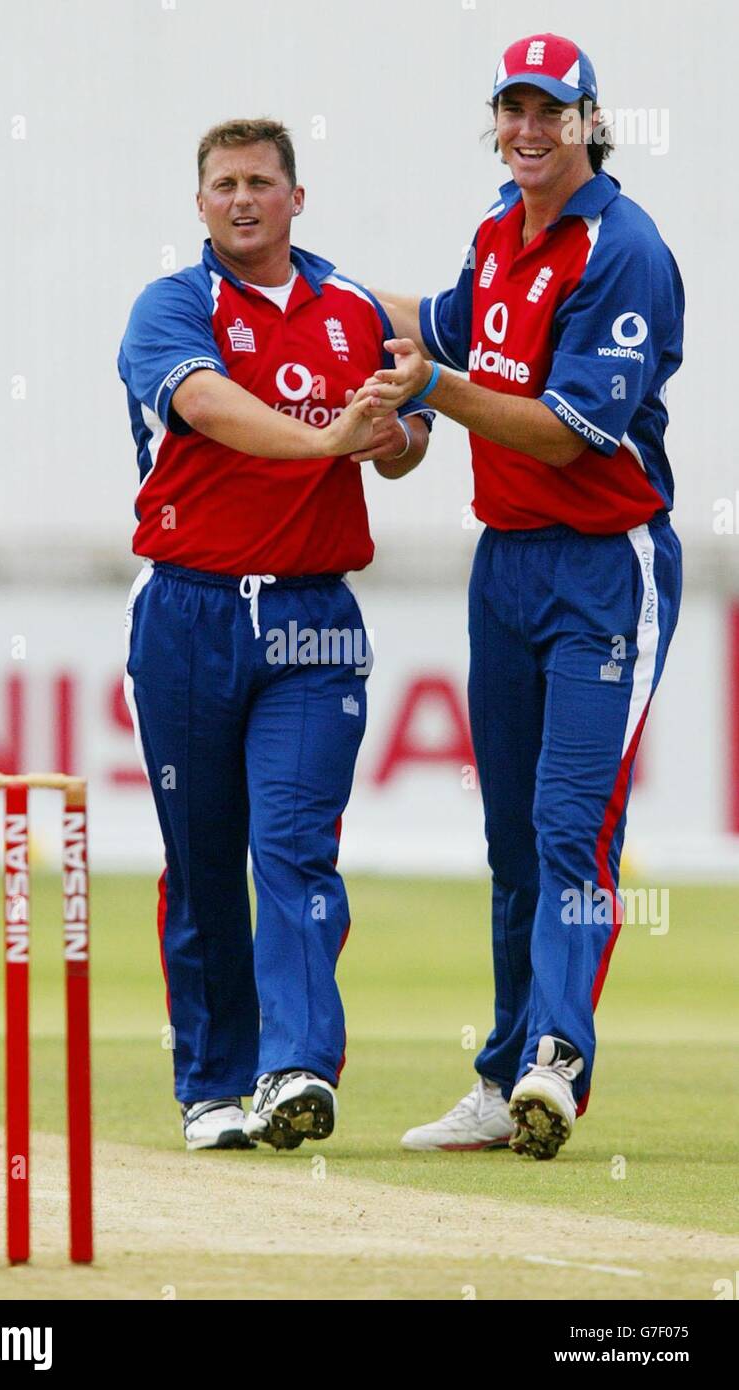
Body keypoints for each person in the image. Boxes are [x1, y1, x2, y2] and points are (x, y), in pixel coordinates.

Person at [368, 33, 684, 1159]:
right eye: (513, 109)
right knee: (511, 836)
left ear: (591, 120)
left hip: (605, 562)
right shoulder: (499, 232)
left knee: (570, 826)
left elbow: (561, 433)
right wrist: (318, 288)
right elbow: (439, 326)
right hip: (505, 566)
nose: (530, 129)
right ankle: (505, 1076)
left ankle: (556, 1055)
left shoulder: (623, 248)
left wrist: (435, 388)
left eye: (551, 110)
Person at [117, 118, 432, 1152]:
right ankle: (212, 1084)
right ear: (198, 202)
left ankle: (295, 1066)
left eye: (260, 182)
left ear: (299, 198)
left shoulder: (353, 310)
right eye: (222, 185)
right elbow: (206, 405)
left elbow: (404, 439)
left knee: (292, 844)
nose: (241, 199)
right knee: (202, 855)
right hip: (190, 609)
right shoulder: (174, 306)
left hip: (311, 617)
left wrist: (392, 437)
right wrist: (326, 438)